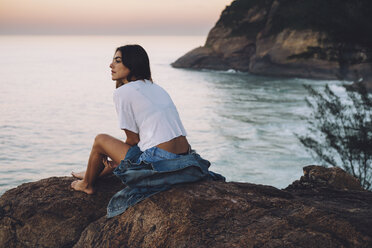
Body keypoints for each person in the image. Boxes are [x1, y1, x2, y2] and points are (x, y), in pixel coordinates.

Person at [70, 44, 190, 194]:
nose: (111, 65)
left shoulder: (124, 92)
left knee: (100, 141)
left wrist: (113, 160)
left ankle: (86, 183)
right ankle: (91, 172)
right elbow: (139, 143)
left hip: (160, 162)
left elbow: (133, 141)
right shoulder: (156, 87)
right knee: (121, 152)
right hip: (184, 158)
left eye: (118, 61)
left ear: (133, 64)